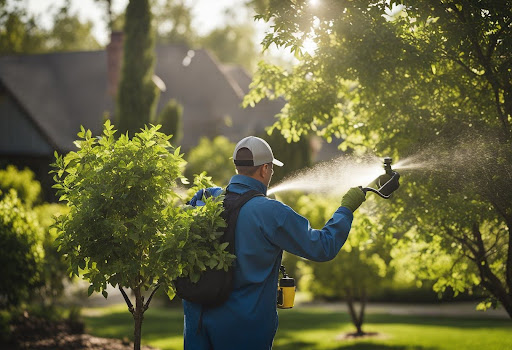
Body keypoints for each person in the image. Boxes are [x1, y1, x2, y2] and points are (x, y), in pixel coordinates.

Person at [183, 136, 366, 350]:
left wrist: (196, 199)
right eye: (271, 170)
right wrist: (346, 209)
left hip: (197, 321)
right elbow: (322, 246)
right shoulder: (270, 212)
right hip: (243, 330)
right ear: (264, 169)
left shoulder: (208, 200)